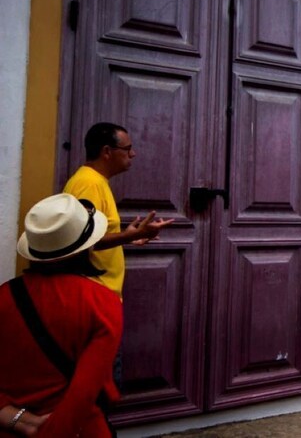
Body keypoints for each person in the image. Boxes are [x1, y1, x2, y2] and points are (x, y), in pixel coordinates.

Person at [0, 193, 123, 436]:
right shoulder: (102, 303)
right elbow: (83, 395)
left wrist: (17, 419)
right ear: (85, 246)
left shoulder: (4, 296)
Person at [63, 122, 173, 299]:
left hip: (101, 293)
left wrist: (126, 235)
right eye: (127, 148)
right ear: (107, 152)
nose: (133, 154)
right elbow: (84, 241)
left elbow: (95, 234)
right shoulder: (88, 184)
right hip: (94, 293)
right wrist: (133, 235)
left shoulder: (96, 181)